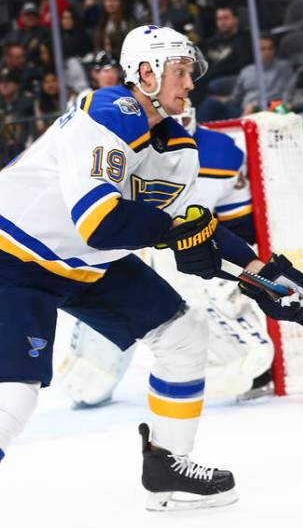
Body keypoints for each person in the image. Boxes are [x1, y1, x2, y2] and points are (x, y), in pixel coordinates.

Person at [0, 25, 303, 510]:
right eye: (181, 71)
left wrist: (262, 272)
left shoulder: (176, 145)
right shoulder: (106, 113)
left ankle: (166, 468)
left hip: (83, 265)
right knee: (13, 399)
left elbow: (193, 221)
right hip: (14, 253)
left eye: (191, 72)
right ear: (145, 72)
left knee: (183, 334)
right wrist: (175, 235)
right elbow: (99, 223)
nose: (190, 83)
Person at [57, 101, 276, 408]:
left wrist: (235, 267)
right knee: (86, 384)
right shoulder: (116, 144)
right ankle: (95, 367)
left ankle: (224, 365)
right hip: (124, 257)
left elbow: (239, 225)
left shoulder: (220, 153)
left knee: (249, 362)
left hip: (189, 257)